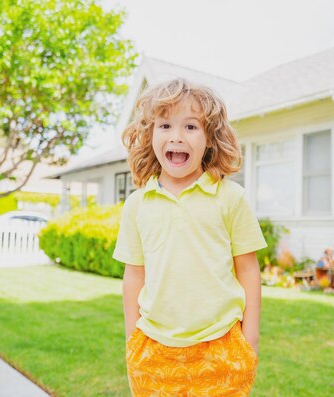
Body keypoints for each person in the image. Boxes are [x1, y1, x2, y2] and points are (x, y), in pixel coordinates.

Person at [113, 78, 267, 396]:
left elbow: (248, 270)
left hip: (222, 344)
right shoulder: (137, 205)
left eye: (191, 127)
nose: (177, 137)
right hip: (153, 348)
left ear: (210, 138)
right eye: (165, 125)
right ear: (150, 134)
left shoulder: (230, 198)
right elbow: (134, 275)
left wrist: (249, 338)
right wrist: (133, 340)